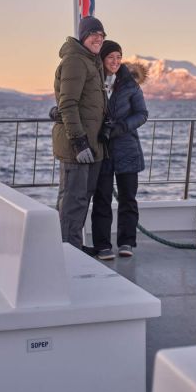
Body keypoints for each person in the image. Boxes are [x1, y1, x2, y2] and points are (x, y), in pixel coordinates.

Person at [51, 16, 108, 250]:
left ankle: (73, 246)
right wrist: (79, 142)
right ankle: (66, 251)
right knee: (72, 201)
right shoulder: (75, 61)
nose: (98, 38)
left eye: (102, 35)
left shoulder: (92, 62)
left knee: (82, 200)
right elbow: (68, 104)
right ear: (83, 36)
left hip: (92, 145)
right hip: (77, 146)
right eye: (94, 33)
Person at [90, 40, 149, 260]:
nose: (115, 61)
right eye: (110, 57)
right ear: (102, 59)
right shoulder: (93, 81)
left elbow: (142, 114)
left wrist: (122, 127)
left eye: (118, 57)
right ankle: (102, 245)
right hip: (102, 149)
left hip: (127, 148)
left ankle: (126, 242)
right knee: (102, 198)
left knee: (127, 199)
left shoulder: (130, 84)